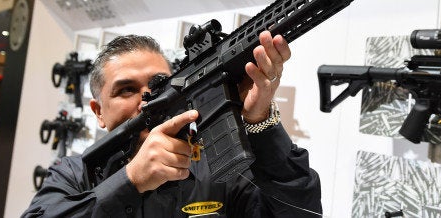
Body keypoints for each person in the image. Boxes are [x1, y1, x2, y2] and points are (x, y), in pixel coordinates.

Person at [22, 31, 322, 217]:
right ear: (98, 111)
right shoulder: (74, 175)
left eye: (158, 83)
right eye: (126, 89)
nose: (146, 99)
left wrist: (260, 123)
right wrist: (130, 181)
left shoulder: (217, 166)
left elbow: (301, 212)